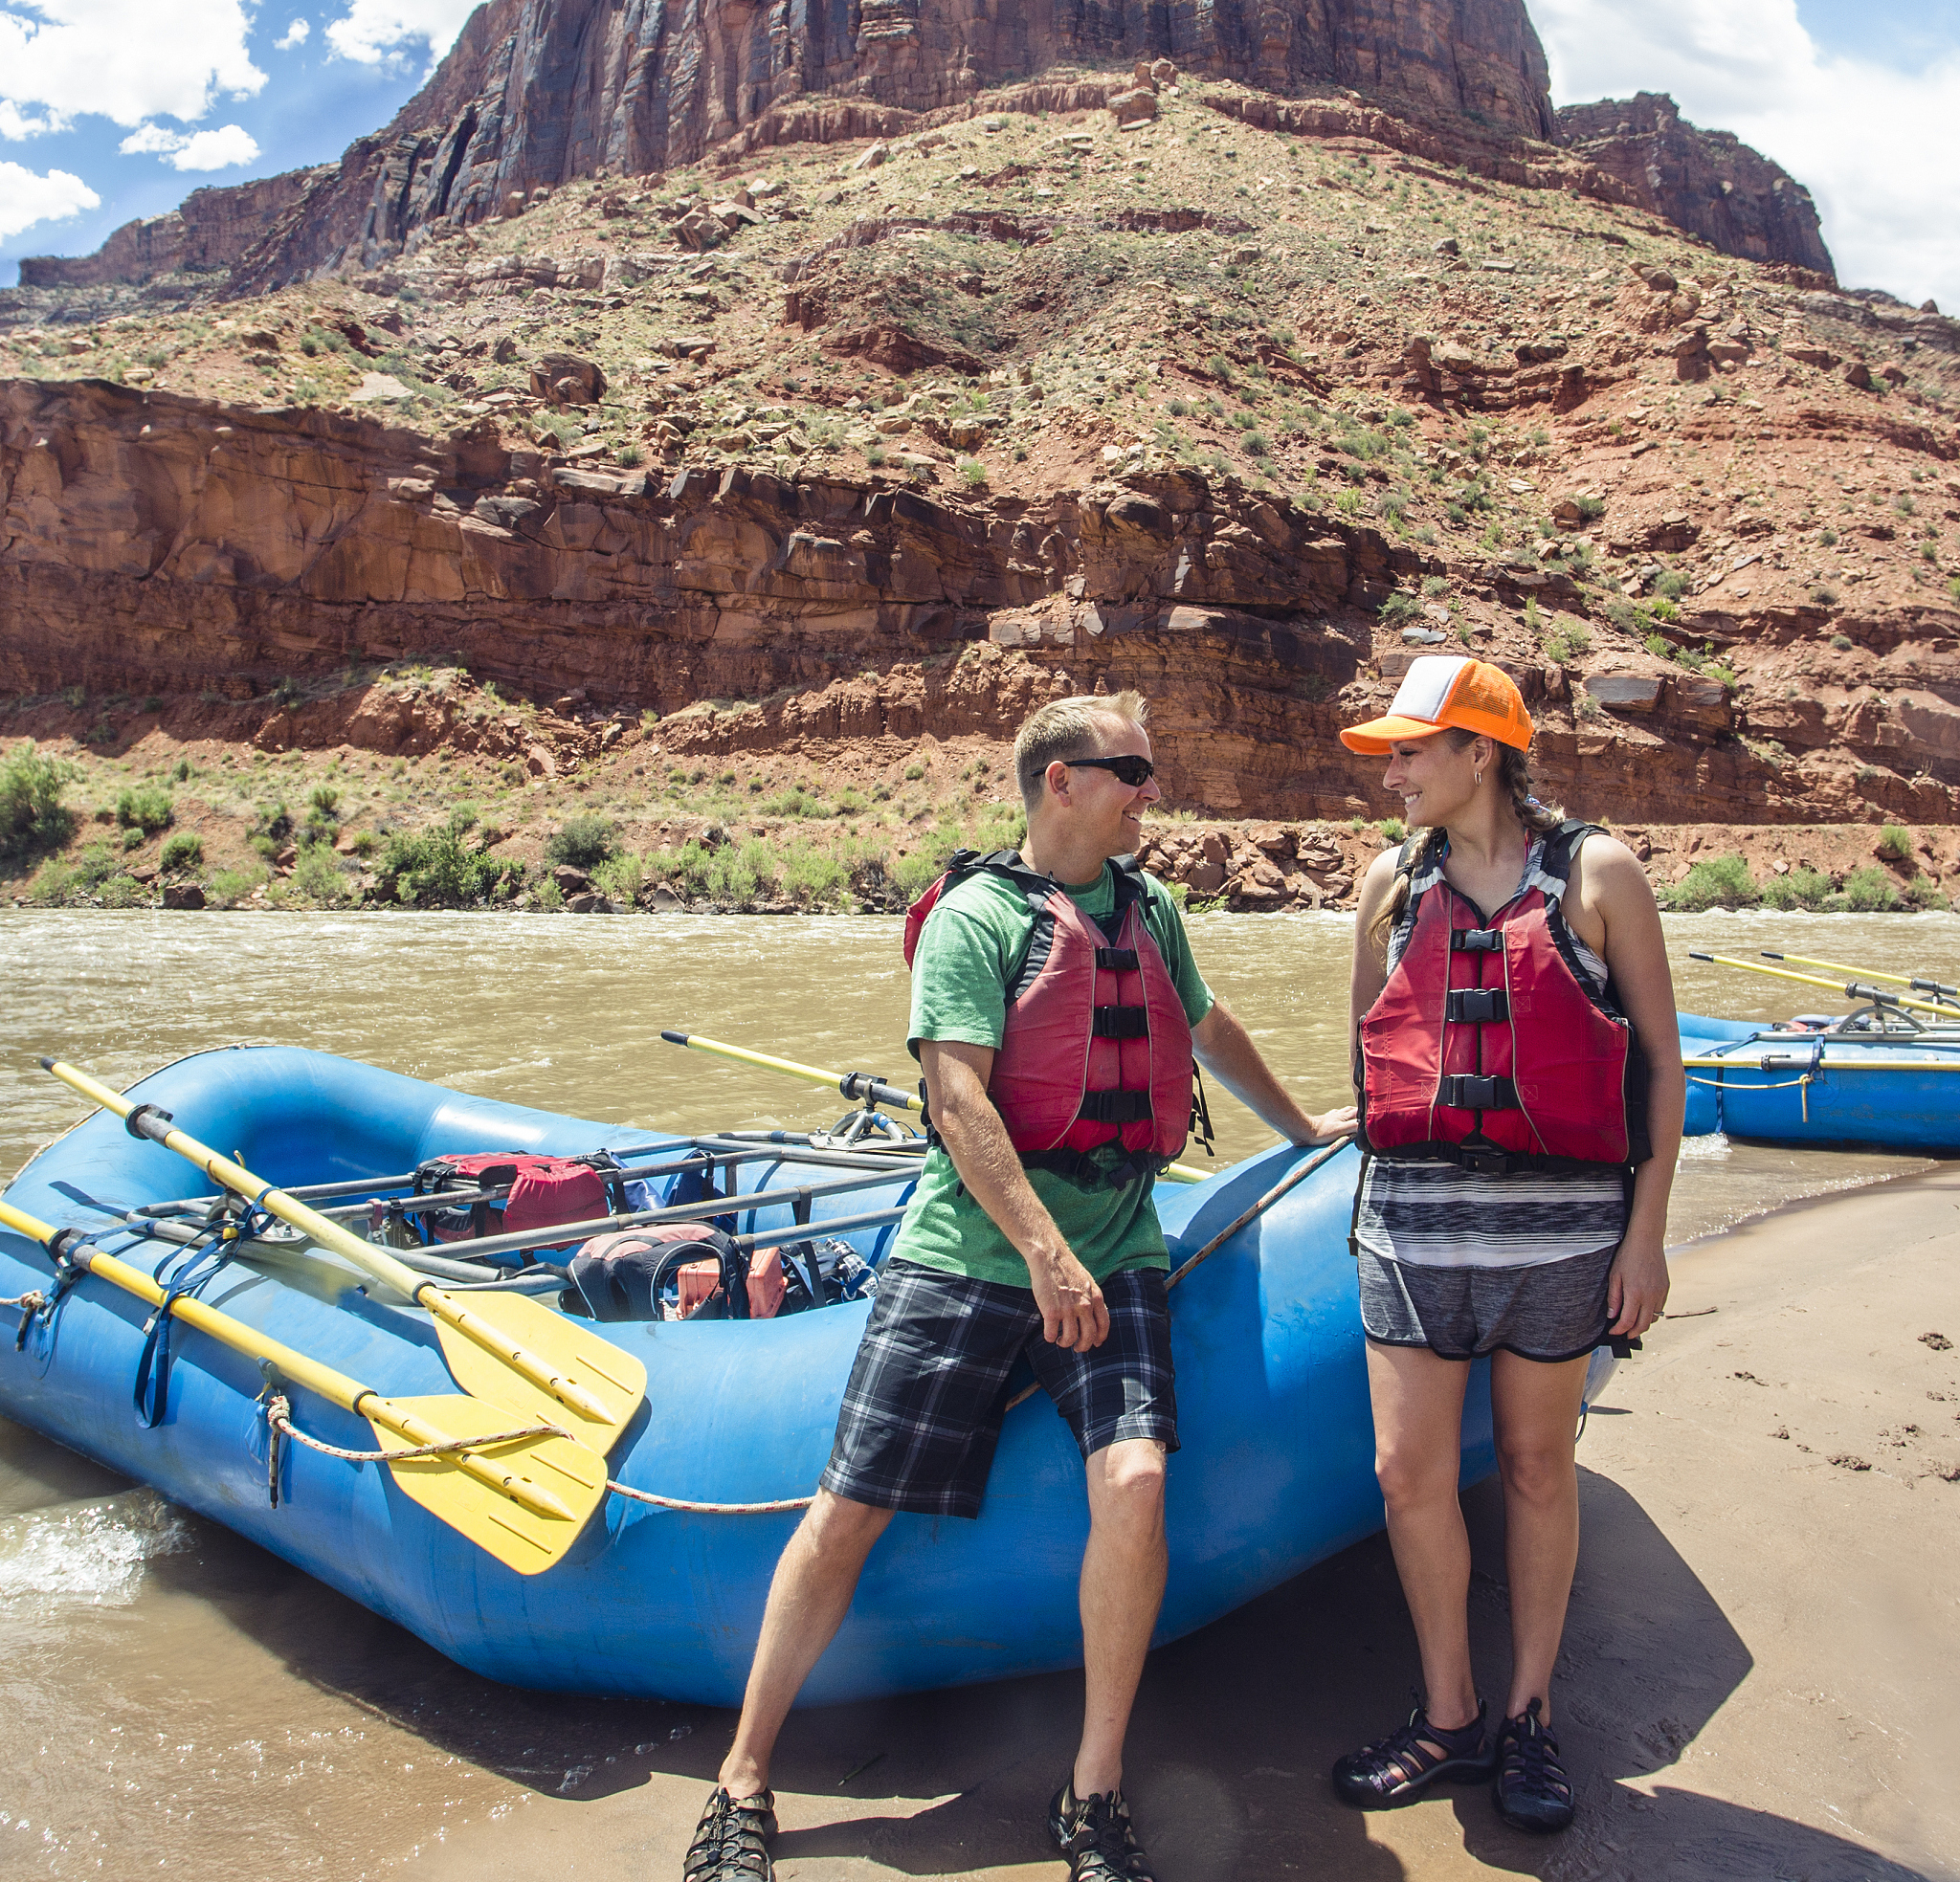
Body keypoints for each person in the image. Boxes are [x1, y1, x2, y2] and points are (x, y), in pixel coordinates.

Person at [685, 690, 1355, 1882]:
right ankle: (743, 1778)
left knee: (1137, 1476)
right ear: (1061, 781)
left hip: (1119, 1244)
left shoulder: (1151, 909)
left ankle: (1090, 1790)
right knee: (847, 1508)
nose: (1150, 789)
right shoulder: (973, 917)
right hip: (970, 1252)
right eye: (1130, 770)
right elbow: (957, 1097)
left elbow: (1203, 1026)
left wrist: (1302, 1122)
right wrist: (1045, 1251)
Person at [1332, 654, 1682, 1835]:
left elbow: (1659, 1067)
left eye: (1411, 749)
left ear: (1480, 752)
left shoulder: (1595, 873)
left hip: (1561, 1238)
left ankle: (1527, 1714)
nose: (1393, 770)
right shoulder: (1387, 882)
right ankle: (1449, 1711)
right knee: (1404, 1475)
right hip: (1410, 1229)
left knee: (1536, 1469)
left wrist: (1646, 1235)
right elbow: (1373, 1052)